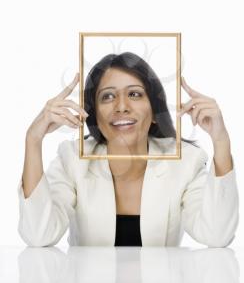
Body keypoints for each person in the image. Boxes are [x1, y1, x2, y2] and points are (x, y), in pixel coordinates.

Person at [18, 52, 239, 247]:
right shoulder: (73, 158)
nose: (122, 106)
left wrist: (221, 141)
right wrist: (33, 139)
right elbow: (39, 235)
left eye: (134, 94)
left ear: (154, 111)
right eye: (108, 96)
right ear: (94, 115)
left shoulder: (185, 162)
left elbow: (217, 235)